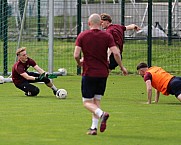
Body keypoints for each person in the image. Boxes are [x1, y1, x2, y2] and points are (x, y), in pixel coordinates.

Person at [74, 13, 128, 135]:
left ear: (89, 23)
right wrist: (122, 67)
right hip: (103, 74)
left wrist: (79, 63)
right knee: (96, 102)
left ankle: (102, 114)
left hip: (89, 73)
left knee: (87, 102)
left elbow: (76, 55)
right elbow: (116, 53)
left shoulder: (82, 35)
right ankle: (93, 128)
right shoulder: (107, 36)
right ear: (100, 23)